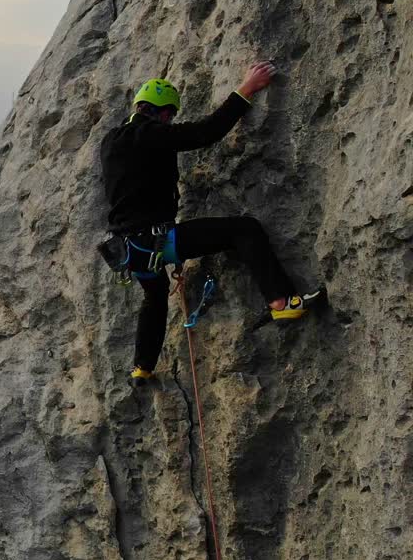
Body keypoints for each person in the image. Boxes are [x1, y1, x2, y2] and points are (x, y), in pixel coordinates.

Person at [100, 62, 319, 387]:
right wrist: (247, 88)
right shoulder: (150, 134)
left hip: (129, 251)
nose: (170, 120)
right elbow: (206, 132)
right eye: (169, 115)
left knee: (154, 296)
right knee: (244, 230)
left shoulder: (110, 140)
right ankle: (281, 302)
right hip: (157, 241)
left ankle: (141, 368)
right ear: (162, 113)